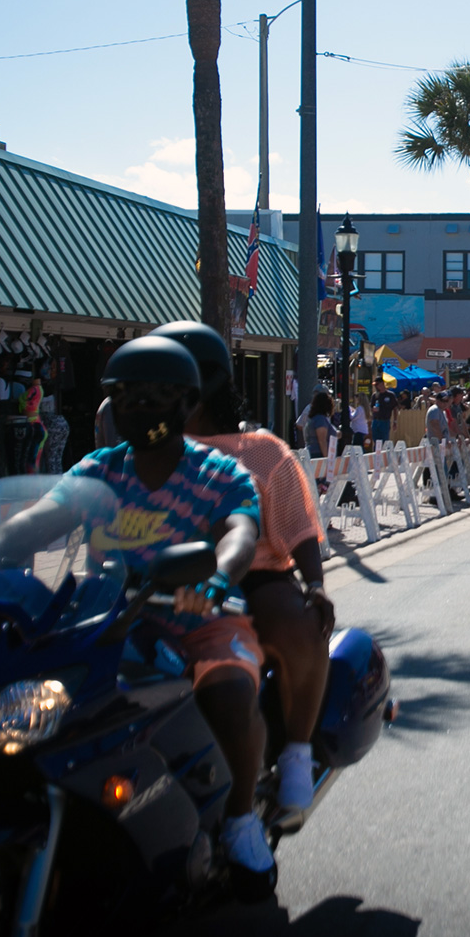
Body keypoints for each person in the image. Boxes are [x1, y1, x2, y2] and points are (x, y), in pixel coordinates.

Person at [0, 336, 277, 888]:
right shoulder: (99, 470)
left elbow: (238, 533)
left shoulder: (219, 474)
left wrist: (217, 579)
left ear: (188, 404)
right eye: (127, 396)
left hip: (200, 616)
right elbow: (38, 521)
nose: (141, 408)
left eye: (158, 396)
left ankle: (239, 818)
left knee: (231, 689)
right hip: (107, 621)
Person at [156, 322, 335, 822]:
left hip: (252, 578)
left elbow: (297, 529)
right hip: (161, 582)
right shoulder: (145, 451)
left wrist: (315, 586)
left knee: (297, 623)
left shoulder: (263, 450)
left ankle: (296, 754)